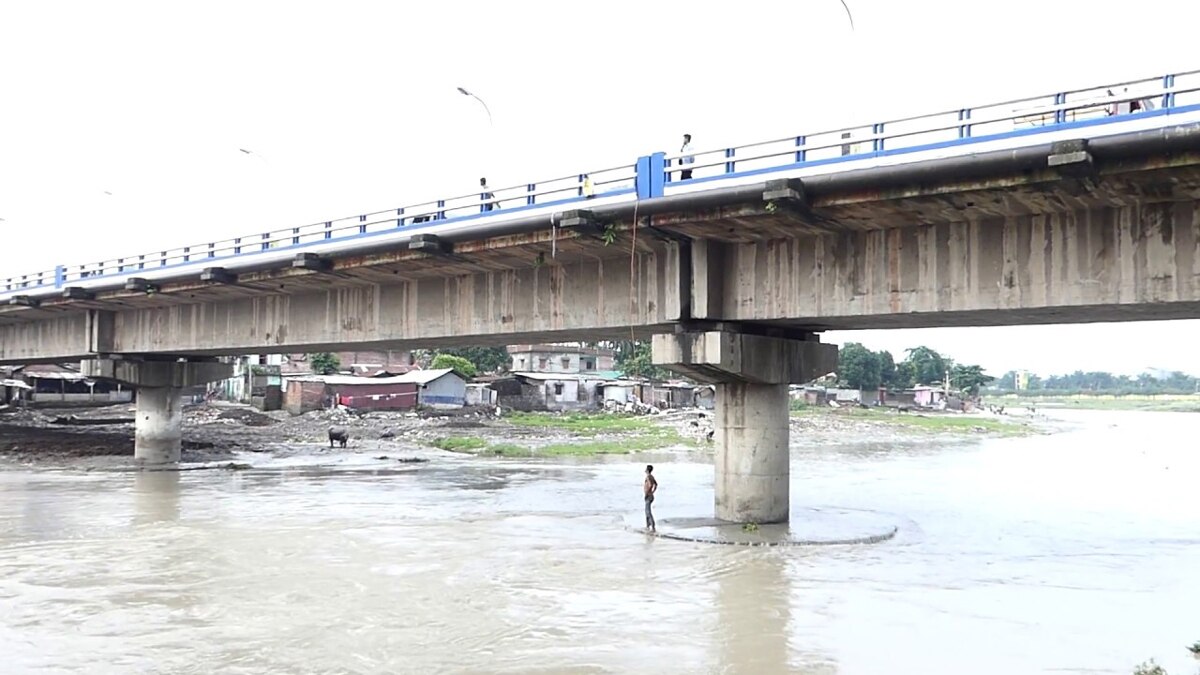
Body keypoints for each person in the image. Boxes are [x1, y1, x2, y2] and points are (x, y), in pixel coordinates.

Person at [643, 464, 658, 532]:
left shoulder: (649, 477)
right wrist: (653, 491)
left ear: (647, 470)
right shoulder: (651, 476)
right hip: (650, 495)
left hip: (648, 496)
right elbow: (656, 484)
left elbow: (651, 484)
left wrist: (647, 493)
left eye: (646, 469)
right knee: (647, 511)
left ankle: (652, 526)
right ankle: (648, 526)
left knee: (648, 512)